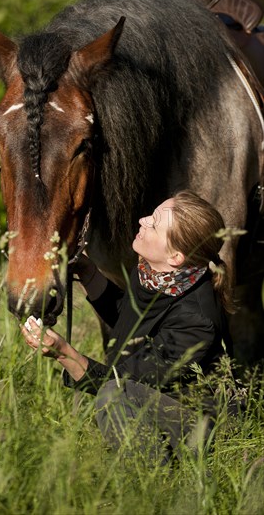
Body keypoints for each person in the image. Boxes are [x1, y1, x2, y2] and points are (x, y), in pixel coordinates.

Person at [21, 190, 236, 461]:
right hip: (151, 398)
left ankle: (152, 478)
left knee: (113, 394)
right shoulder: (155, 274)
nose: (143, 220)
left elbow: (121, 380)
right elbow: (131, 319)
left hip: (195, 424)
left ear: (176, 257)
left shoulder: (195, 321)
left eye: (154, 224)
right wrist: (88, 272)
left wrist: (63, 352)